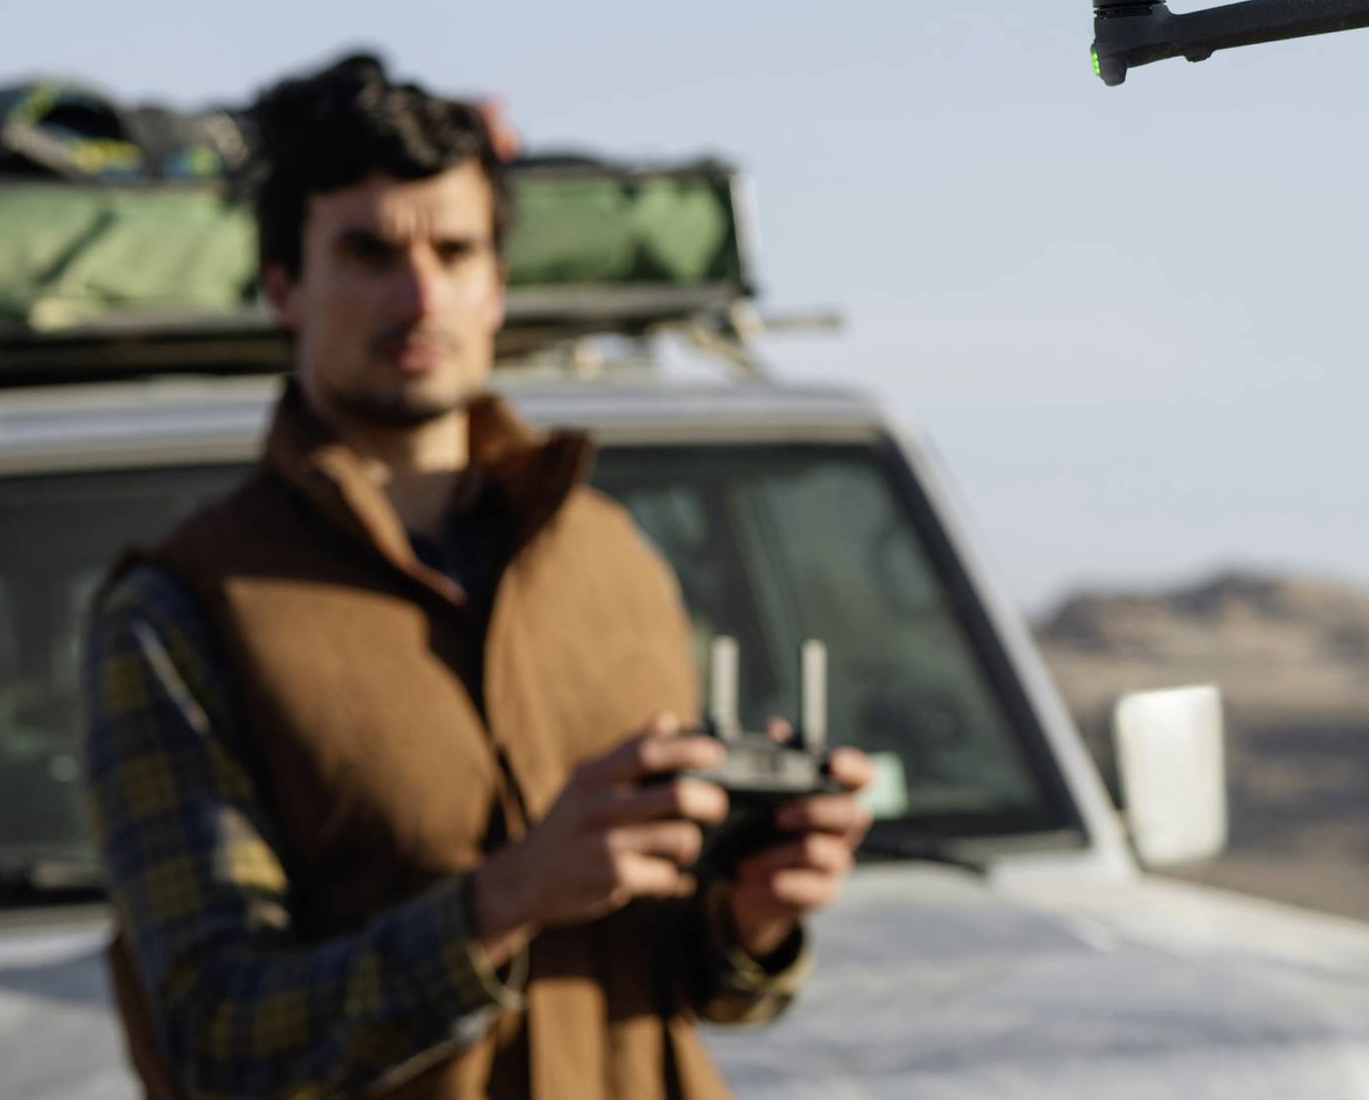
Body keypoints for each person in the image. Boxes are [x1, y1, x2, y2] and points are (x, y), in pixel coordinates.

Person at [82, 53, 871, 1098]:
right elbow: (221, 1038)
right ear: (283, 285)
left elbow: (685, 977)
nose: (419, 292)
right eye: (368, 251)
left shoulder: (610, 556)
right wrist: (502, 900)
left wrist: (756, 914)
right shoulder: (181, 610)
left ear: (497, 284)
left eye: (454, 250)